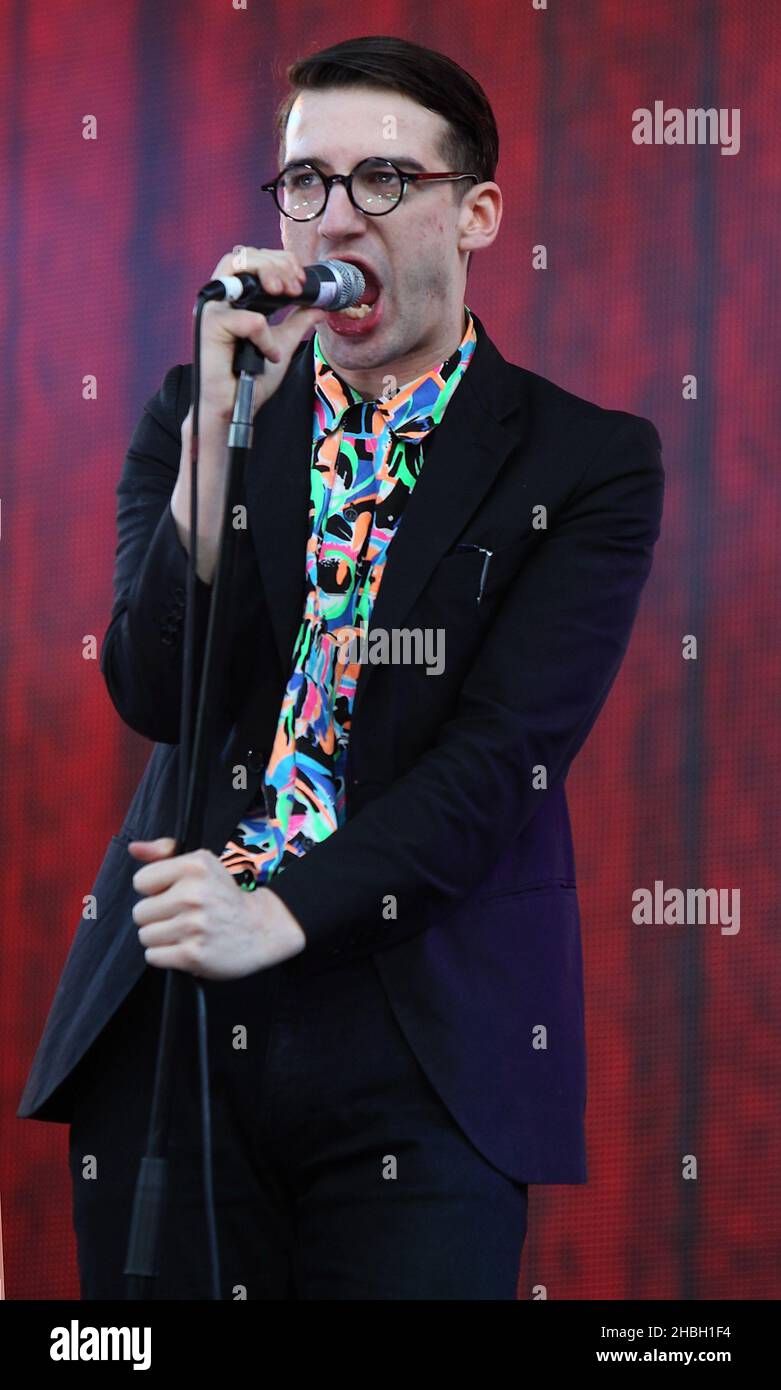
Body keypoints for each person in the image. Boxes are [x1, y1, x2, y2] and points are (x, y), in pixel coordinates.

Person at [17, 35, 664, 1300]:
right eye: (303, 182)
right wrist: (215, 439)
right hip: (178, 1028)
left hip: (420, 1036)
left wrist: (286, 909)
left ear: (474, 212)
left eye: (380, 180)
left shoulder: (583, 464)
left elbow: (499, 762)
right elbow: (151, 690)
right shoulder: (199, 410)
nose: (332, 217)